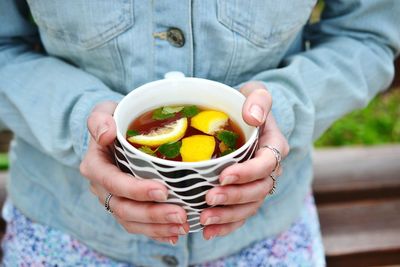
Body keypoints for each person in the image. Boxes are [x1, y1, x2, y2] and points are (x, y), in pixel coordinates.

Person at [0, 0, 399, 266]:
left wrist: (283, 108)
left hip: (265, 229)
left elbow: (366, 35)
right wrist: (81, 121)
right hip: (67, 226)